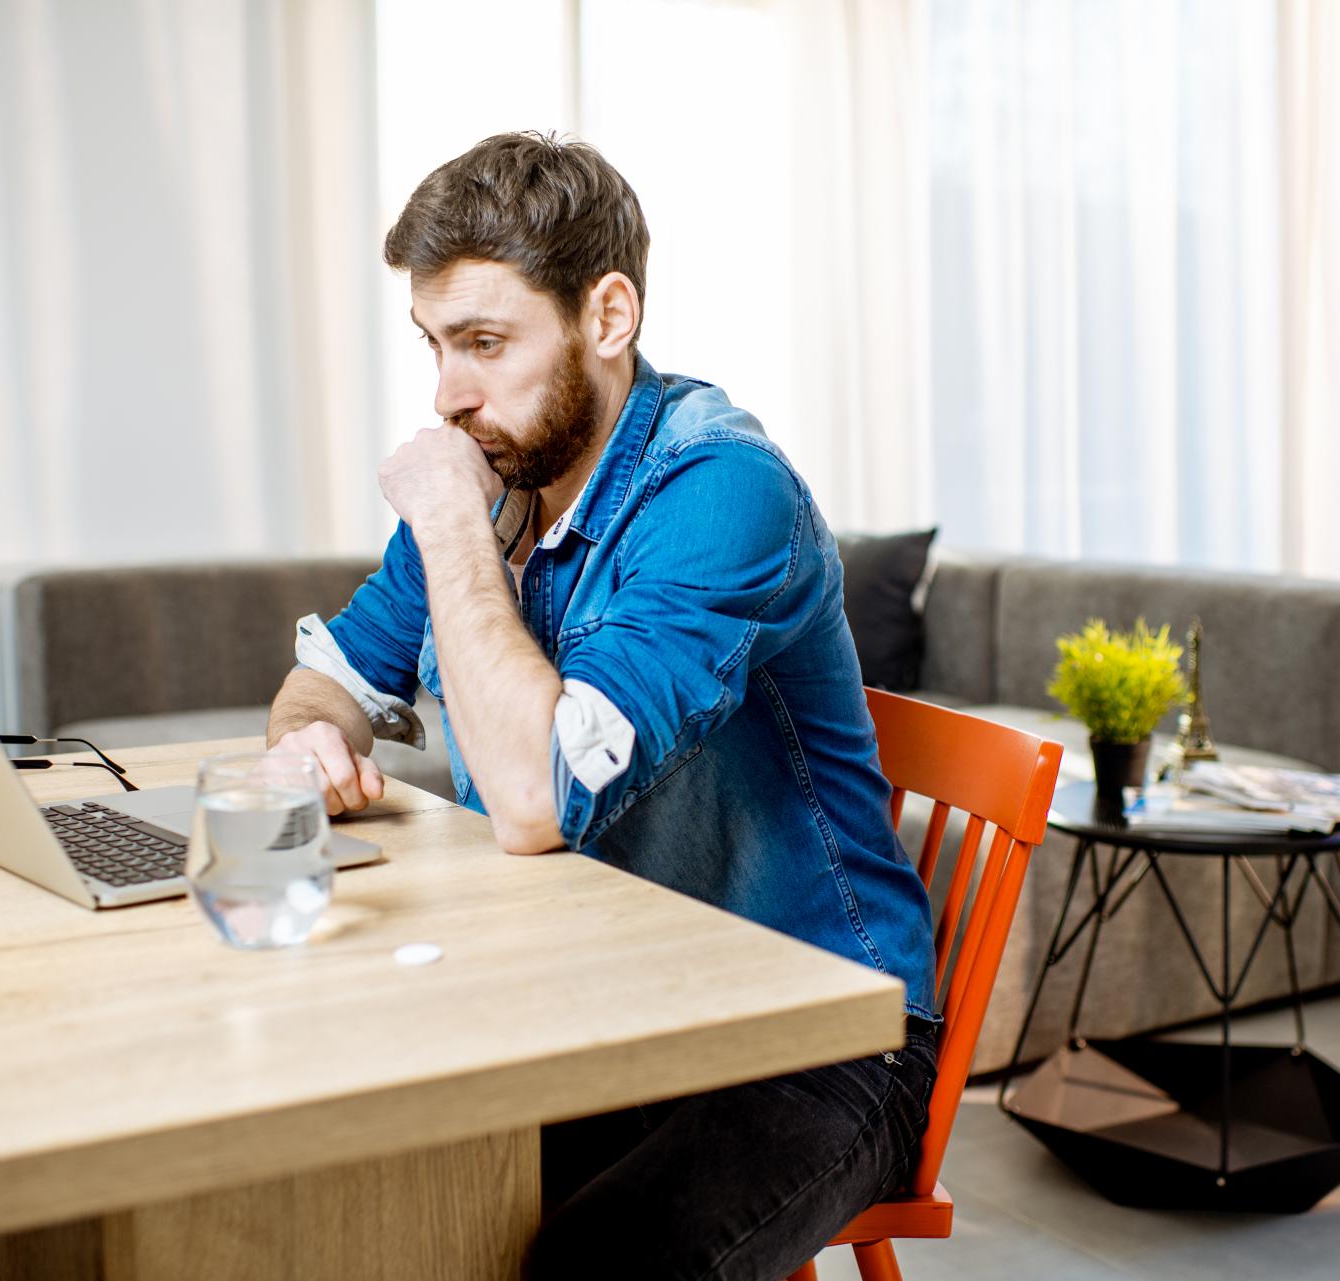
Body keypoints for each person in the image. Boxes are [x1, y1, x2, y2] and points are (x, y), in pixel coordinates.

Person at [265, 131, 939, 1281]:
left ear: (607, 317)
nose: (445, 395)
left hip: (820, 1029)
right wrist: (307, 748)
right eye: (432, 346)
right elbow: (325, 678)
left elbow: (534, 797)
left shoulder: (722, 491)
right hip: (606, 992)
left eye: (484, 343)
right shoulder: (496, 476)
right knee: (353, 1169)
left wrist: (443, 526)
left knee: (593, 1261)